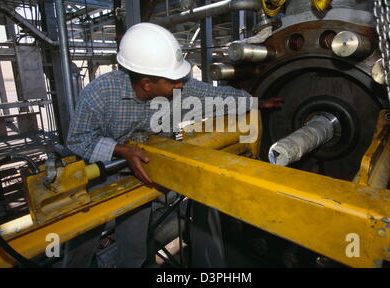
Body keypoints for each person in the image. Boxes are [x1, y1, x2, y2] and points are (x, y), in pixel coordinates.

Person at [65, 22, 283, 267]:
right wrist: (121, 151)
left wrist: (256, 103)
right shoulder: (99, 95)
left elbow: (214, 96)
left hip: (141, 178)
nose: (180, 85)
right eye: (173, 81)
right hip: (97, 178)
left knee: (134, 249)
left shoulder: (178, 88)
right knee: (82, 243)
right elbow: (78, 140)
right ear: (147, 84)